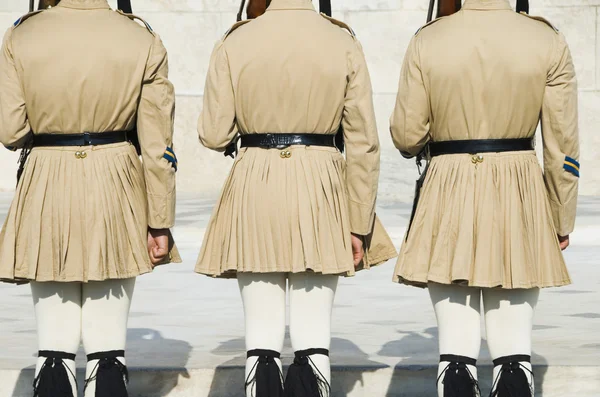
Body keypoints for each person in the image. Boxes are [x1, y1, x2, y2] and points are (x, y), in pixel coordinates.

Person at [195, 0, 397, 395]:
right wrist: (359, 222)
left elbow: (214, 134)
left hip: (256, 179)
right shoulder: (341, 40)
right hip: (320, 180)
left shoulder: (235, 40)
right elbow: (364, 144)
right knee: (314, 332)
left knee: (261, 332)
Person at [390, 0, 578, 395]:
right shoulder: (546, 38)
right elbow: (563, 149)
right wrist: (560, 218)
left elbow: (407, 136)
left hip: (448, 186)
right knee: (515, 350)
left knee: (454, 352)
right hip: (520, 189)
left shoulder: (428, 39)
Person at [0, 1, 180, 396]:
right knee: (108, 348)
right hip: (115, 177)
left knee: (53, 347)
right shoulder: (140, 36)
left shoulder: (23, 33)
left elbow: (11, 130)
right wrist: (159, 219)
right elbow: (156, 145)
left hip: (47, 176)